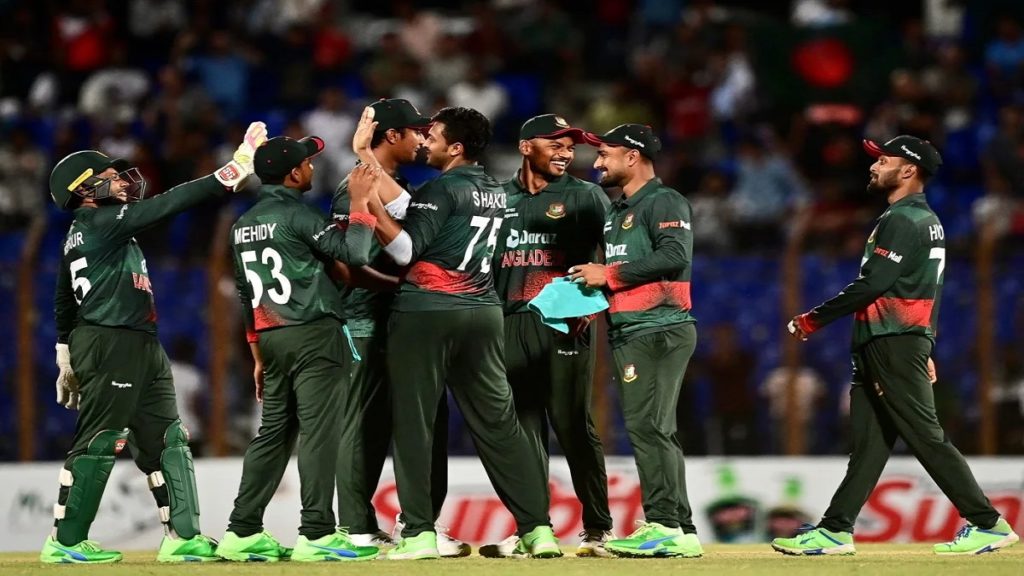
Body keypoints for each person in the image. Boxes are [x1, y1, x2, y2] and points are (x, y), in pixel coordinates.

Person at [774, 135, 1020, 556]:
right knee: (869, 448)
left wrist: (813, 319)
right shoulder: (921, 218)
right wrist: (926, 343)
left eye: (884, 160)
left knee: (925, 436)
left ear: (908, 170)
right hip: (891, 342)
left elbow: (876, 283)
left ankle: (987, 524)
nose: (874, 166)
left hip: (892, 342)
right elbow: (926, 289)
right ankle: (835, 531)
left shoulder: (903, 220)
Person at [40, 122, 267, 564]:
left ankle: (183, 538)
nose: (122, 181)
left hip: (136, 339)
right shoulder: (101, 221)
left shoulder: (89, 230)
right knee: (101, 438)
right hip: (111, 339)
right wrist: (233, 169)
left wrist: (64, 347)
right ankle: (65, 541)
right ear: (83, 191)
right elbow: (170, 203)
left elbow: (64, 296)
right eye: (109, 177)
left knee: (168, 439)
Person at [366, 106, 561, 560]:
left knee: (415, 424)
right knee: (500, 424)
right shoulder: (493, 188)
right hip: (483, 312)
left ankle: (418, 534)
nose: (424, 142)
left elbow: (405, 249)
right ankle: (538, 530)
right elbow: (426, 215)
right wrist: (367, 158)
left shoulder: (440, 188)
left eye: (433, 136)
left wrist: (370, 205)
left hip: (427, 313)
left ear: (455, 147)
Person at [215, 136, 381, 562]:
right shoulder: (298, 214)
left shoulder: (242, 224)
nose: (311, 167)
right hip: (313, 333)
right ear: (292, 174)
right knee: (319, 433)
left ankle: (242, 530)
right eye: (307, 163)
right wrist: (360, 202)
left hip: (271, 337)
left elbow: (245, 295)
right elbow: (356, 253)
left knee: (273, 433)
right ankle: (317, 533)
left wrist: (257, 352)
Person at [333, 98, 469, 557]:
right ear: (392, 135)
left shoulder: (404, 187)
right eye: (416, 132)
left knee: (424, 422)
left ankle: (420, 523)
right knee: (365, 426)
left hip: (405, 320)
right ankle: (355, 526)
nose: (423, 139)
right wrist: (400, 284)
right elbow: (346, 266)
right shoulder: (353, 188)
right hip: (365, 320)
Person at [481, 114, 614, 558]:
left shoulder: (585, 195)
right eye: (555, 144)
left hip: (565, 321)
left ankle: (597, 529)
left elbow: (616, 255)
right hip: (507, 322)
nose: (565, 153)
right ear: (525, 147)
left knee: (572, 424)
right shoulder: (497, 198)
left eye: (570, 147)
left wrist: (594, 302)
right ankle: (533, 528)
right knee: (522, 429)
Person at [570, 123, 703, 558]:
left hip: (659, 328)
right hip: (632, 329)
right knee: (656, 428)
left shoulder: (664, 200)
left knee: (650, 428)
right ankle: (681, 529)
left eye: (604, 154)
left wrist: (607, 275)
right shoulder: (617, 211)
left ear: (632, 156)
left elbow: (674, 255)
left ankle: (663, 524)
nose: (597, 163)